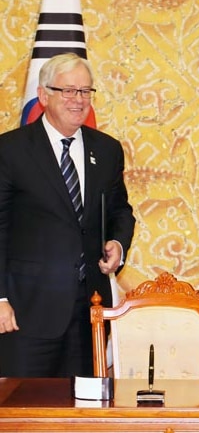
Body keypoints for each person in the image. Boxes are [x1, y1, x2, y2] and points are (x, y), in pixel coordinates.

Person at [0, 53, 135, 377]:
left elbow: (120, 210)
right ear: (44, 95)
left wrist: (117, 243)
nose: (79, 100)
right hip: (26, 310)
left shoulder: (106, 150)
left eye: (86, 91)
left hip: (89, 310)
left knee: (81, 412)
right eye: (69, 91)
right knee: (24, 412)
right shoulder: (11, 150)